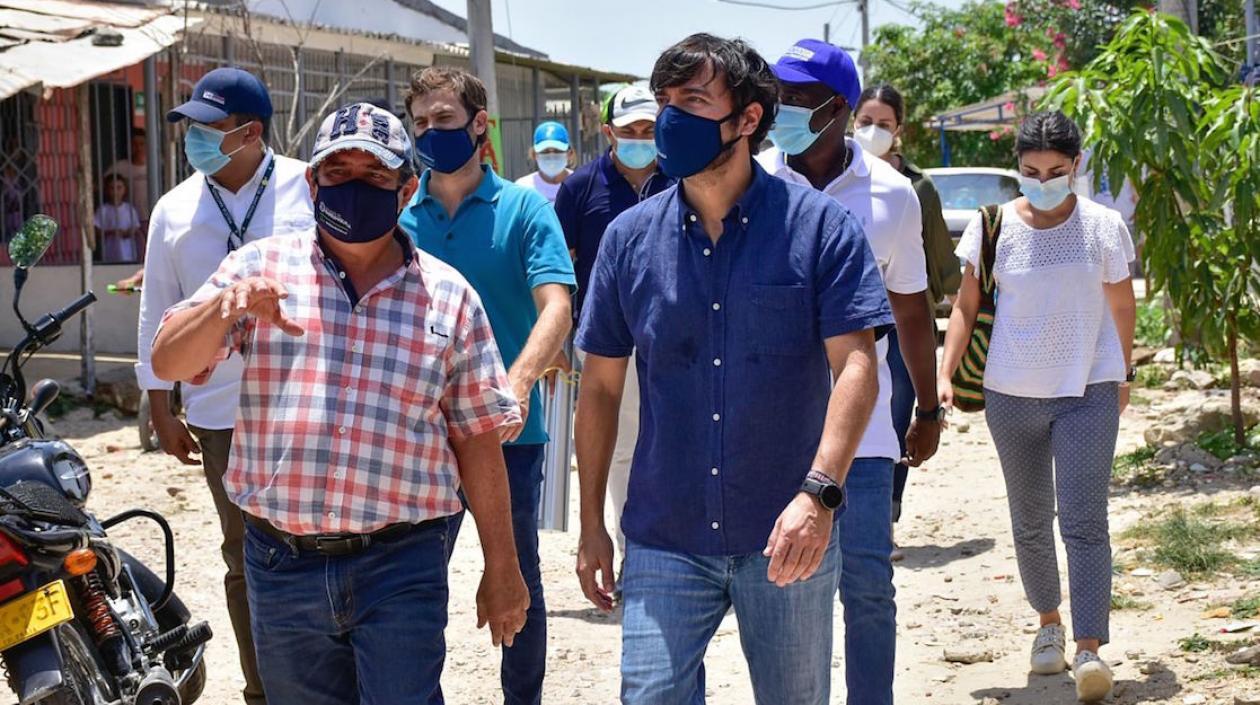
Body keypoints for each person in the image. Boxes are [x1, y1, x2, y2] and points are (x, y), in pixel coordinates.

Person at [149, 101, 530, 704]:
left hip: (402, 565)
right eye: (338, 173)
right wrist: (227, 307)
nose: (353, 188)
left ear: (406, 189)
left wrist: (502, 567)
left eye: (374, 176)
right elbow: (168, 359)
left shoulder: (450, 299)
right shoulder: (258, 270)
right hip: (281, 565)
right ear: (313, 182)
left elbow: (478, 440)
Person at [574, 33, 894, 705]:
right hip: (665, 533)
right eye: (664, 102)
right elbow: (600, 387)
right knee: (650, 695)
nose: (668, 120)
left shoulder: (820, 230)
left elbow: (857, 365)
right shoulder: (629, 241)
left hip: (787, 534)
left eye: (692, 101)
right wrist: (591, 524)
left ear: (748, 118)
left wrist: (821, 494)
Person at [758, 39, 942, 705]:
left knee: (867, 583)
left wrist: (928, 407)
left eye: (798, 99)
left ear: (838, 110)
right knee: (788, 588)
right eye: (778, 96)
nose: (781, 109)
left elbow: (913, 310)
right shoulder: (752, 184)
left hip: (863, 431)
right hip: (775, 428)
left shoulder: (892, 197)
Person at [938, 110, 1136, 703]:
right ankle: (1048, 626)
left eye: (1056, 170)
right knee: (1029, 520)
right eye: (1030, 170)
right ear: (1017, 168)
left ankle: (1089, 650)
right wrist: (944, 376)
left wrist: (1123, 371)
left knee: (1084, 519)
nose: (1043, 180)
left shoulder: (1103, 226)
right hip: (1009, 392)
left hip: (1089, 390)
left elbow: (1122, 304)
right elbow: (966, 307)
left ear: (1076, 165)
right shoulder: (992, 225)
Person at [135, 66, 312, 705]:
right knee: (244, 554)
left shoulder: (307, 187)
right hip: (217, 413)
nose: (195, 141)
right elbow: (157, 311)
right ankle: (263, 689)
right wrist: (160, 404)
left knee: (310, 542)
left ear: (250, 133)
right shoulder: (173, 209)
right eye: (192, 130)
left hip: (301, 399)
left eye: (207, 129)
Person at [399, 66, 575, 705]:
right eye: (420, 122)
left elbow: (557, 305)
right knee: (414, 586)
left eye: (442, 120)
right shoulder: (399, 216)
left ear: (479, 125)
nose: (429, 132)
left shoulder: (525, 209)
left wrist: (518, 382)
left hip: (509, 434)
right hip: (419, 438)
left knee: (515, 572)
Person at [554, 83, 672, 575]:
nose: (640, 139)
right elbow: (557, 268)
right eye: (629, 132)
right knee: (622, 450)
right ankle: (633, 555)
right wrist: (560, 342)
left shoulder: (683, 178)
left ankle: (676, 550)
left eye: (649, 130)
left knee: (671, 441)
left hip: (673, 339)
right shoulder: (580, 188)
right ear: (608, 133)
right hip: (606, 344)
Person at [852, 83, 960, 559]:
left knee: (893, 422)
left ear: (900, 130)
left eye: (884, 123)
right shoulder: (831, 178)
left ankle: (885, 516)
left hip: (900, 323)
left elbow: (937, 256)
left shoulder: (914, 187)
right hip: (849, 322)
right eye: (866, 120)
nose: (873, 130)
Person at [515, 121, 574, 203]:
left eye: (557, 151)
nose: (551, 156)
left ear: (569, 154)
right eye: (545, 151)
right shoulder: (523, 187)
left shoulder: (582, 185)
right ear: (534, 155)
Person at [94, 174, 142, 263]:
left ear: (125, 189)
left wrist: (127, 232)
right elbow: (97, 230)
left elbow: (136, 228)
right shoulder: (103, 210)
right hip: (109, 252)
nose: (116, 191)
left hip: (129, 252)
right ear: (107, 190)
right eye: (112, 188)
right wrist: (111, 232)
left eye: (119, 187)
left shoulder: (129, 209)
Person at [105, 127, 151, 219]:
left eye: (142, 144)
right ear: (129, 146)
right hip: (127, 221)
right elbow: (103, 185)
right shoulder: (119, 167)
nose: (138, 148)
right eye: (134, 144)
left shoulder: (155, 166)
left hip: (151, 216)